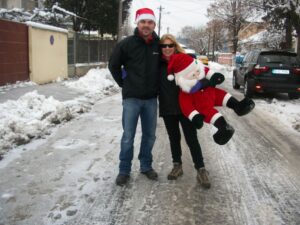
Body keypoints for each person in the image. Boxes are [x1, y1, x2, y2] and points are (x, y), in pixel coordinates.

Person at [109, 8, 160, 186]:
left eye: (150, 22)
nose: (146, 25)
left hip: (151, 100)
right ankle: (124, 170)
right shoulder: (126, 44)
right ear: (138, 23)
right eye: (143, 22)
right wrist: (125, 83)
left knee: (150, 136)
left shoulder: (159, 45)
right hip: (131, 99)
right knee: (128, 136)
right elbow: (113, 65)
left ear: (154, 24)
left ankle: (146, 166)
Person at [158, 34, 211, 188]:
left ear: (175, 46)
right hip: (168, 106)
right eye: (164, 46)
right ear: (160, 48)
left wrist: (202, 87)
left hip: (186, 107)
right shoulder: (158, 64)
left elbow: (202, 75)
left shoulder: (186, 60)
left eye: (170, 45)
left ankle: (201, 169)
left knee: (191, 138)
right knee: (173, 137)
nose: (167, 49)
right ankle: (177, 166)